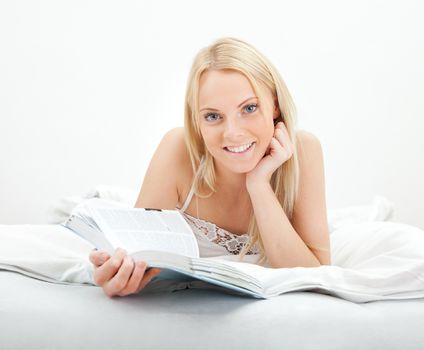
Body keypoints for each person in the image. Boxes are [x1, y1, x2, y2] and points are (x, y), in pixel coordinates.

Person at [89, 37, 331, 297]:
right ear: (197, 119)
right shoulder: (178, 148)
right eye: (213, 116)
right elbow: (138, 253)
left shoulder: (303, 150)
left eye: (249, 108)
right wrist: (120, 274)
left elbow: (315, 274)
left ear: (274, 104)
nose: (233, 133)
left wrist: (259, 185)